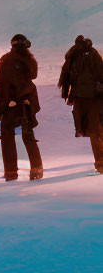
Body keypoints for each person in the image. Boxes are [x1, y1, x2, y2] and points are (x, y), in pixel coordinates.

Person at [0, 34, 43, 181]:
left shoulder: (5, 59)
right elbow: (33, 75)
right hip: (26, 101)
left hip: (10, 102)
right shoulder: (29, 60)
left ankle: (10, 172)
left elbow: (0, 83)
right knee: (28, 135)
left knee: (7, 135)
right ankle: (36, 168)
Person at [58, 35, 103, 173]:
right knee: (97, 129)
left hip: (81, 99)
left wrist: (68, 95)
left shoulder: (72, 55)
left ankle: (100, 163)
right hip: (95, 97)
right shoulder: (93, 54)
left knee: (92, 130)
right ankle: (100, 163)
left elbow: (66, 78)